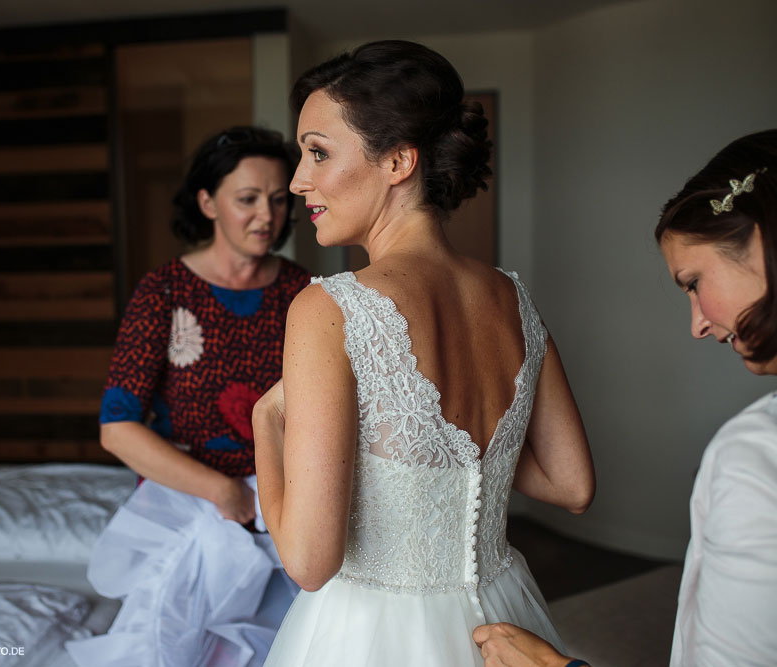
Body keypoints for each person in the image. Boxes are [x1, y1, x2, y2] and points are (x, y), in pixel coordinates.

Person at [251, 40, 595, 666]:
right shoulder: (512, 298)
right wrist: (463, 450)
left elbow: (308, 563)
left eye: (318, 152)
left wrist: (264, 423)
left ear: (398, 162)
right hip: (501, 613)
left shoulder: (330, 309)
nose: (299, 181)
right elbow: (571, 485)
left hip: (370, 633)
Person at [473, 129, 777, 667]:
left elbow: (573, 487)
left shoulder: (755, 456)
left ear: (760, 240)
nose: (698, 325)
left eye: (693, 282)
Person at [67, 126, 311, 667]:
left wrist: (268, 498)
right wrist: (224, 492)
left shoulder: (303, 293)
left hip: (281, 505)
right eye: (247, 199)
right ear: (208, 202)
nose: (266, 216)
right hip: (187, 501)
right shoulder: (164, 292)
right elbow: (118, 427)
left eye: (276, 200)